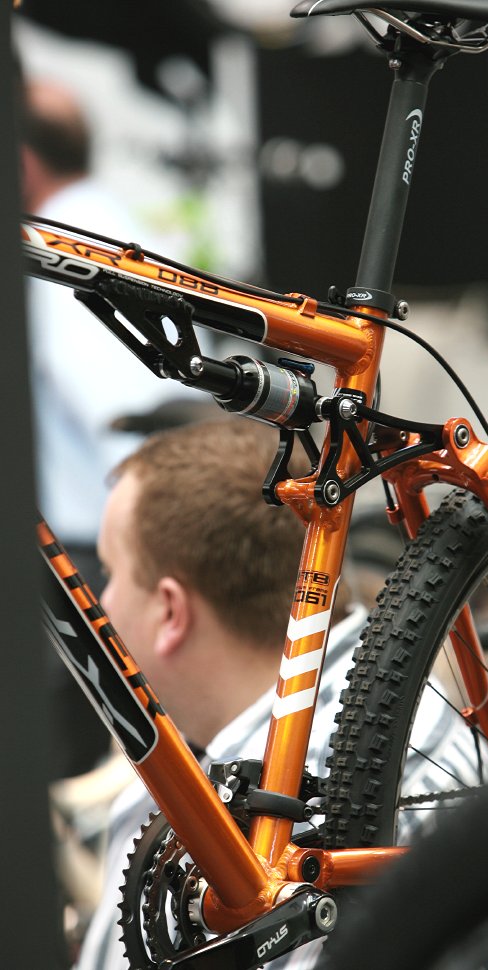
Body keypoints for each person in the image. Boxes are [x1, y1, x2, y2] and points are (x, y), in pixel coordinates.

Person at [73, 412, 486, 970]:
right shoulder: (392, 704)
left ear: (170, 611)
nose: (101, 602)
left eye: (108, 573)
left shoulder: (327, 812)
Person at [21, 78, 203, 777]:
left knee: (81, 778)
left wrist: (150, 554)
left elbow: (125, 413)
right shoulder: (118, 224)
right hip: (127, 544)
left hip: (100, 558)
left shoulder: (57, 251)